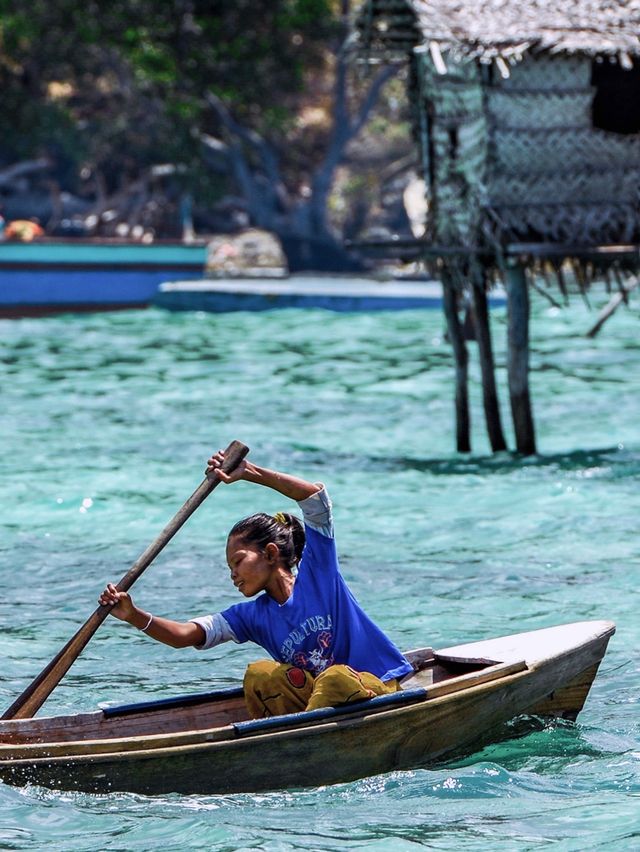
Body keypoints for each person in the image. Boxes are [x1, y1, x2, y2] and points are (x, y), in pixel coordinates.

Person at [99, 450, 414, 718]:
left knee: (335, 679)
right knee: (259, 676)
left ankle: (301, 735)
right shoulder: (250, 616)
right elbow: (186, 636)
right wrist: (133, 615)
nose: (233, 574)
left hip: (375, 686)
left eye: (238, 561)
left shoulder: (318, 574)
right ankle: (294, 736)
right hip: (321, 706)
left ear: (271, 553)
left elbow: (314, 498)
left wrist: (250, 472)